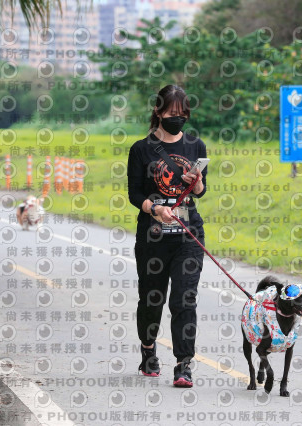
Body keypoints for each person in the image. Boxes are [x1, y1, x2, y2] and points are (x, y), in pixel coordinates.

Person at [127, 84, 208, 387]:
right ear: (158, 112)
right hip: (154, 234)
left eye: (183, 114)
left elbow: (200, 191)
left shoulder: (196, 146)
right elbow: (135, 194)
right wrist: (155, 209)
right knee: (152, 298)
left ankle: (183, 364)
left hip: (188, 234)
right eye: (172, 113)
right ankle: (148, 350)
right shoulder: (141, 149)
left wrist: (197, 182)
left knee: (184, 299)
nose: (178, 118)